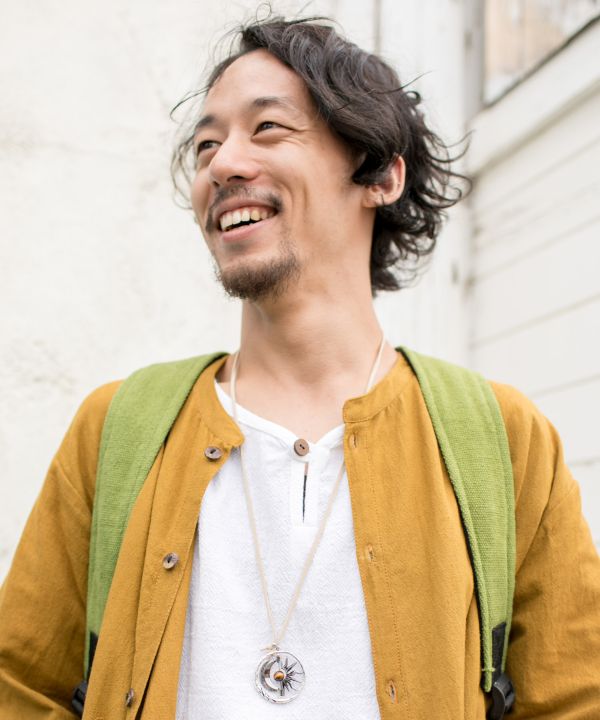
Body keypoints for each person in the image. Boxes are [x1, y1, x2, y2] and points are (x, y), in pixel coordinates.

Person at [1, 16, 599, 720]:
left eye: (268, 128)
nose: (223, 164)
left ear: (381, 175)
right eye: (206, 144)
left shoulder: (500, 437)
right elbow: (21, 684)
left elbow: (572, 698)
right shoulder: (117, 429)